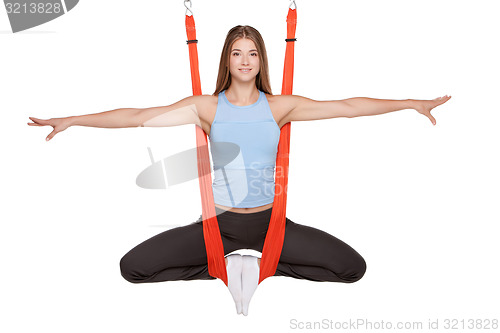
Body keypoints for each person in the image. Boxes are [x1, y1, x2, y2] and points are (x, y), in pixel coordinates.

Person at [27, 25, 451, 316]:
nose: (245, 60)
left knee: (352, 269)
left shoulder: (280, 106)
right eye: (236, 52)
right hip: (220, 226)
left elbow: (348, 108)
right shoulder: (207, 108)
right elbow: (138, 115)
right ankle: (224, 267)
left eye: (252, 53)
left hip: (272, 227)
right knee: (132, 268)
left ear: (260, 59)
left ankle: (264, 265)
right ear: (226, 60)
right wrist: (72, 119)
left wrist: (411, 103)